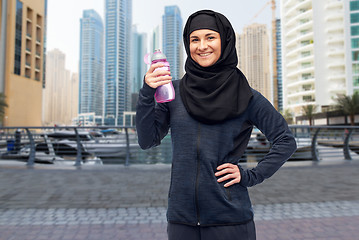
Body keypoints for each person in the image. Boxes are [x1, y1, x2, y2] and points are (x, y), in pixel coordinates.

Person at [136, 9, 297, 240]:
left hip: (230, 221)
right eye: (194, 39)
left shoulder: (246, 96)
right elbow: (146, 140)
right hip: (181, 221)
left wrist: (251, 175)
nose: (202, 46)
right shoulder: (173, 93)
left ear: (225, 40)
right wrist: (147, 91)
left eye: (210, 37)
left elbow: (285, 141)